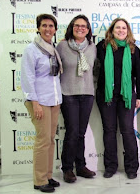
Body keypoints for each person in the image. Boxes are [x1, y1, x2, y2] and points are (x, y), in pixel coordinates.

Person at [96, 18, 140, 179]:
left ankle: (132, 168)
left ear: (128, 31)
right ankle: (110, 166)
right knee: (109, 131)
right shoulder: (102, 47)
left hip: (127, 96)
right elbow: (84, 50)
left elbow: (139, 75)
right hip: (106, 96)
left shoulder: (133, 50)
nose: (121, 30)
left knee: (127, 130)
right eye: (118, 27)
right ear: (112, 30)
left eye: (124, 28)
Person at [21, 14, 62, 193]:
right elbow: (27, 77)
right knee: (42, 140)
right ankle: (39, 180)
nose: (48, 29)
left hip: (54, 99)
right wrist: (34, 102)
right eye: (44, 25)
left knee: (50, 140)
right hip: (39, 101)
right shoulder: (32, 49)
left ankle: (47, 175)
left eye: (51, 26)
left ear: (55, 29)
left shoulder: (52, 48)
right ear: (38, 28)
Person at [56, 15, 97, 183]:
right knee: (72, 132)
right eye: (77, 25)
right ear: (72, 28)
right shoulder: (62, 46)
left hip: (87, 94)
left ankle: (80, 166)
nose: (80, 28)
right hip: (68, 93)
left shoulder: (92, 47)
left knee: (81, 132)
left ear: (88, 30)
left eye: (84, 26)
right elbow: (54, 70)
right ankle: (67, 168)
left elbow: (96, 70)